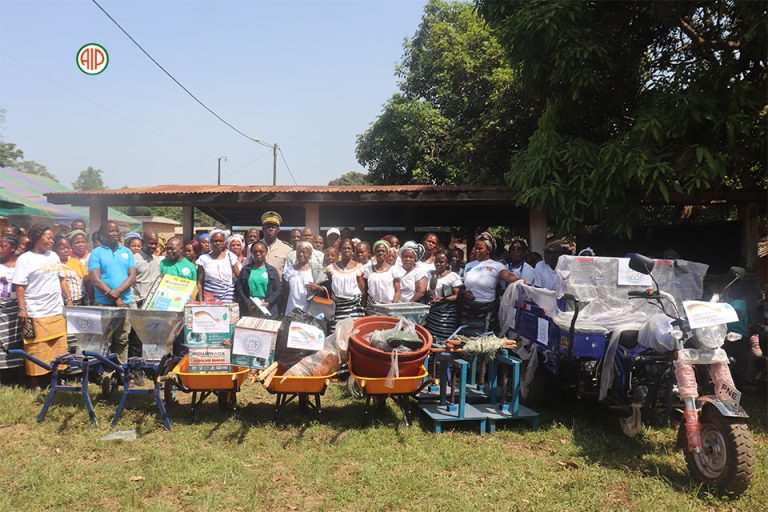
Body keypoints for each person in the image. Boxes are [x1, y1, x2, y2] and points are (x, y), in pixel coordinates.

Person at [13, 225, 70, 384]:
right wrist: (22, 309)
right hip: (35, 311)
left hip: (55, 310)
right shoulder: (25, 259)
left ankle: (56, 380)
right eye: (49, 237)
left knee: (57, 346)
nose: (52, 240)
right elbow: (19, 286)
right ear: (37, 237)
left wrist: (69, 299)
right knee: (35, 348)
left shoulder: (54, 256)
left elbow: (61, 278)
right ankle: (35, 384)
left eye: (53, 237)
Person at [88, 221, 136, 363]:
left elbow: (132, 276)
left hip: (125, 302)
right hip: (104, 304)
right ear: (102, 235)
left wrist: (119, 292)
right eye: (111, 231)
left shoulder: (126, 252)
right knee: (104, 339)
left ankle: (121, 370)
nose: (115, 234)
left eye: (117, 231)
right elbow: (95, 279)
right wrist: (113, 296)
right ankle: (104, 372)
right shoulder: (96, 253)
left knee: (122, 338)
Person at [462, 232, 518, 335]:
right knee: (467, 341)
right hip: (468, 310)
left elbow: (508, 277)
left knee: (483, 344)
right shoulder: (469, 266)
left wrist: (521, 281)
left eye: (480, 248)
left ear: (488, 250)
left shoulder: (497, 266)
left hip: (485, 311)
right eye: (475, 248)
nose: (476, 250)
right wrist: (465, 293)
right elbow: (465, 286)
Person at [161, 237, 199, 356]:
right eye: (167, 249)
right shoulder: (163, 263)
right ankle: (167, 365)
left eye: (172, 249)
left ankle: (181, 363)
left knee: (181, 339)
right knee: (167, 339)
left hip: (183, 309)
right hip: (166, 308)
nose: (169, 251)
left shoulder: (190, 267)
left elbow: (194, 288)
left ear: (181, 249)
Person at [236, 241, 282, 317]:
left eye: (261, 251)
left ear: (266, 252)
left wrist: (268, 302)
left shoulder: (272, 271)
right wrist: (247, 301)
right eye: (255, 251)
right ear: (251, 253)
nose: (258, 254)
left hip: (267, 307)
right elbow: (239, 288)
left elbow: (278, 289)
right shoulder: (245, 270)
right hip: (250, 307)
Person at [325, 238, 365, 322]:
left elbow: (362, 289)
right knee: (338, 333)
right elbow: (330, 287)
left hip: (354, 308)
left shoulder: (359, 267)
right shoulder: (331, 268)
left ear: (353, 251)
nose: (347, 250)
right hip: (338, 308)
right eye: (344, 248)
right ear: (339, 250)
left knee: (353, 333)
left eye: (349, 248)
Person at [426, 250, 462, 340]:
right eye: (436, 261)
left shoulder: (453, 276)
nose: (438, 264)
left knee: (444, 339)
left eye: (441, 262)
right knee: (431, 337)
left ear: (447, 263)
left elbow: (457, 296)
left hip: (446, 315)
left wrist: (443, 299)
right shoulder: (429, 274)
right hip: (432, 314)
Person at [0, 234, 23, 372]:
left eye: (2, 246)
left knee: (16, 339)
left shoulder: (21, 265)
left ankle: (17, 371)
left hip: (17, 307)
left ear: (13, 248)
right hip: (2, 308)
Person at [283, 241, 326, 314]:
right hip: (291, 309)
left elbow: (326, 289)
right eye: (298, 252)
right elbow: (285, 291)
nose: (301, 254)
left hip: (309, 310)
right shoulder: (290, 269)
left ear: (310, 254)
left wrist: (318, 288)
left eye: (304, 252)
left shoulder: (317, 269)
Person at [362, 239, 403, 314]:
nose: (381, 253)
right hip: (372, 306)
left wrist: (393, 305)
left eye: (383, 251)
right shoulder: (368, 270)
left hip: (389, 306)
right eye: (378, 251)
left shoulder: (393, 270)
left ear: (387, 253)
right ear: (375, 253)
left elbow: (397, 291)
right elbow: (365, 290)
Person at [197, 229, 238, 302]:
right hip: (209, 296)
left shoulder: (231, 257)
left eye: (221, 241)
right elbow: (200, 282)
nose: (218, 243)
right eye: (215, 241)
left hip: (228, 296)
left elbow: (239, 277)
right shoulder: (203, 259)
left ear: (224, 242)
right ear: (210, 242)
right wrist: (201, 301)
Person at [54, 237, 88, 307]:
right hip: (64, 302)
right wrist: (68, 300)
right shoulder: (55, 264)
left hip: (81, 299)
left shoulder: (77, 263)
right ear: (55, 250)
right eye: (62, 248)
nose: (66, 250)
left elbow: (86, 280)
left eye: (68, 248)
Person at [260, 211, 292, 279]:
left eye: (273, 227)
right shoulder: (252, 247)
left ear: (278, 230)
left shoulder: (287, 249)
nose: (270, 229)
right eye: (268, 227)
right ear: (263, 229)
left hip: (277, 287)